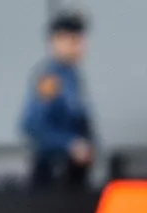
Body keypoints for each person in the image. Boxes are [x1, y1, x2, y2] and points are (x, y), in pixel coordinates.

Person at [20, 10, 95, 189]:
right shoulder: (50, 79)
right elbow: (32, 124)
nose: (80, 46)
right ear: (57, 41)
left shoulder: (73, 77)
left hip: (73, 173)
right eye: (73, 40)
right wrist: (69, 144)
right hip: (53, 172)